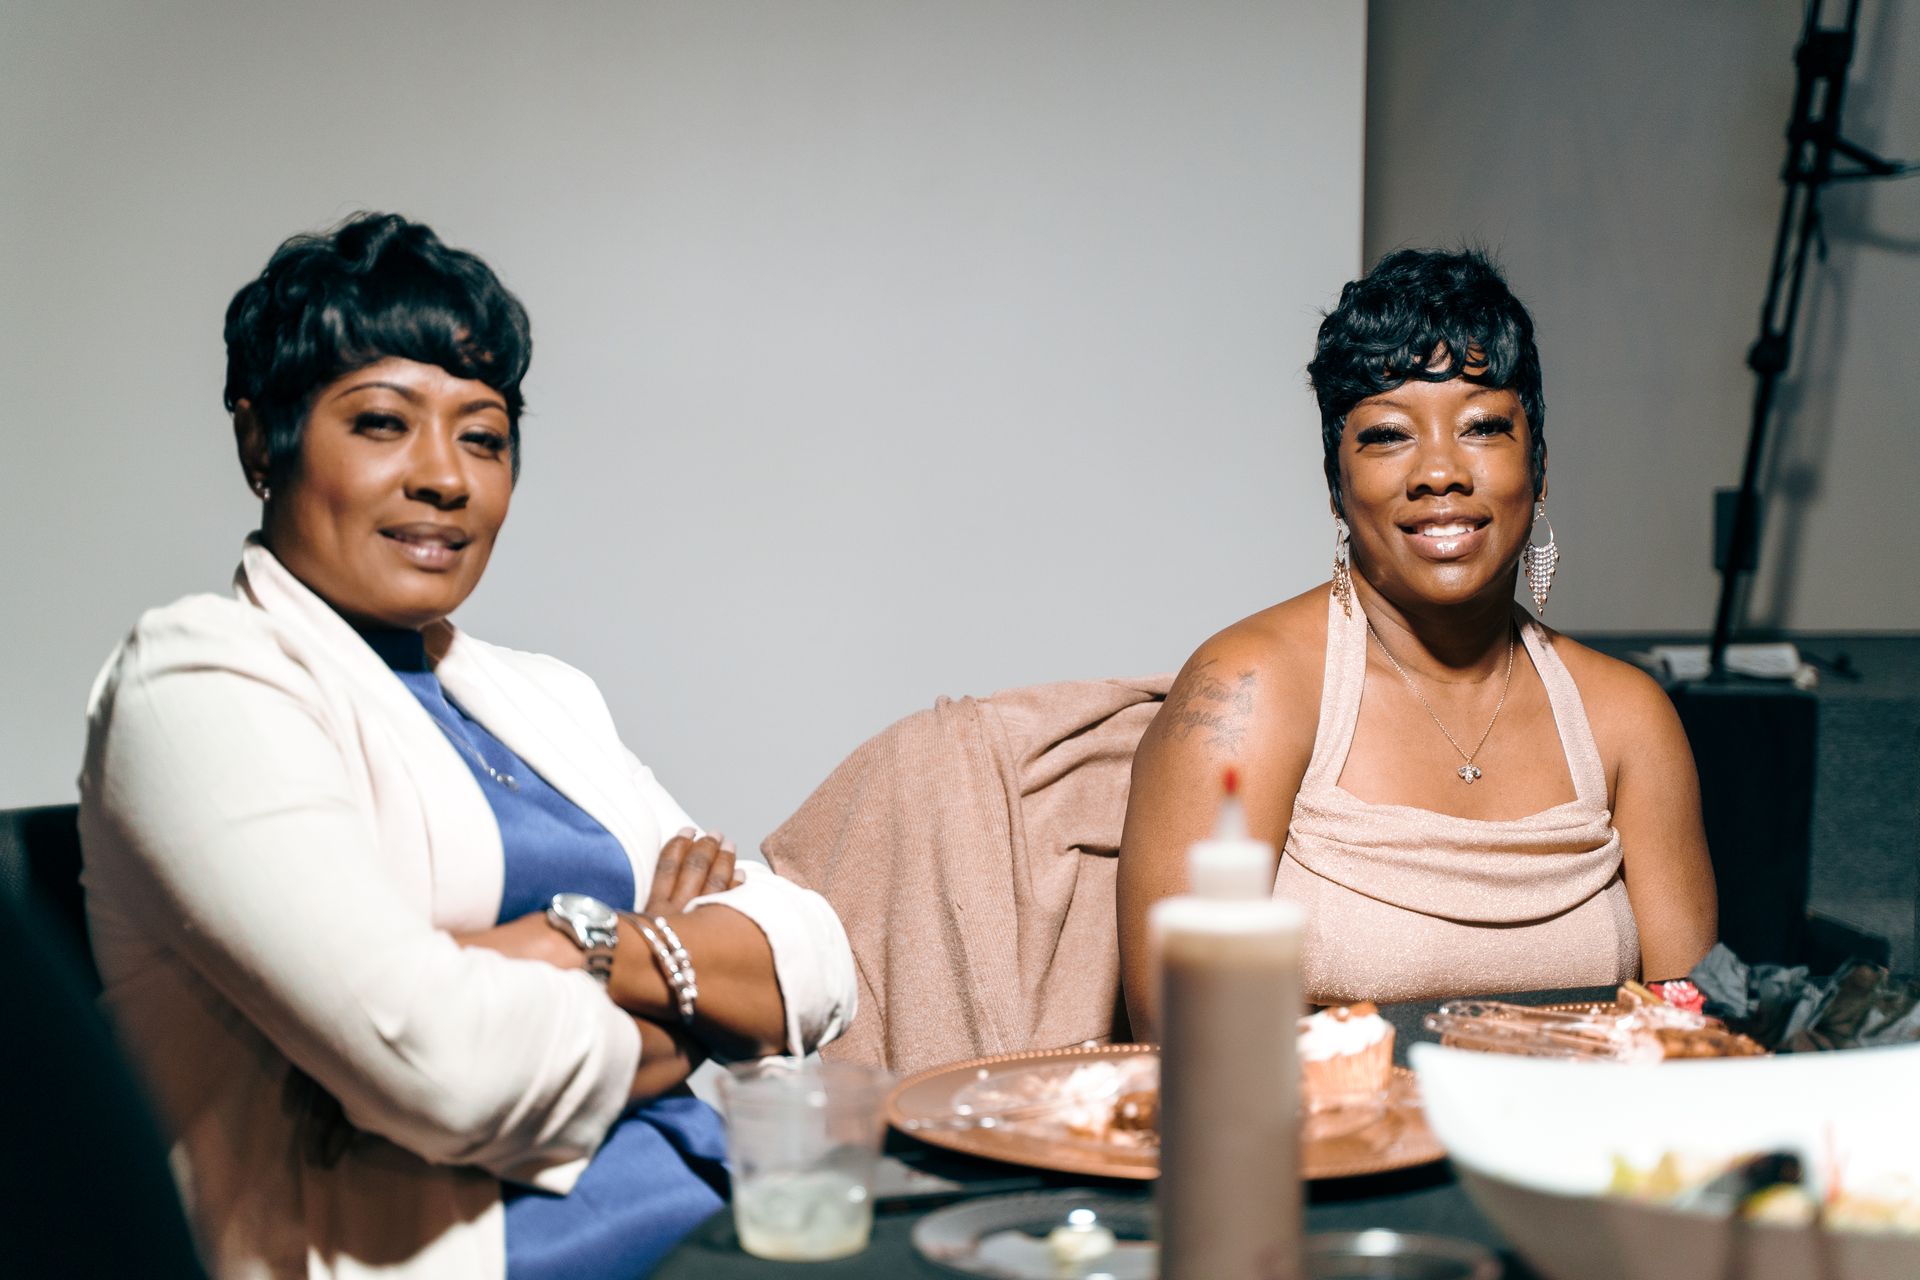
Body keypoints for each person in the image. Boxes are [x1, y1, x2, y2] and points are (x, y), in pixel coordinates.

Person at [78, 213, 857, 1280]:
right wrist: (691, 1000)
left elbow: (810, 952)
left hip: (718, 1218)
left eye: (482, 436)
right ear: (264, 440)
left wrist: (575, 942)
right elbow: (439, 1065)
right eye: (384, 423)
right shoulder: (196, 682)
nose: (444, 477)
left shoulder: (543, 695)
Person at [1117, 248, 1717, 1036]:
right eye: (1389, 435)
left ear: (1538, 468)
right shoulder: (1248, 690)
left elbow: (1694, 1032)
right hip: (1318, 1149)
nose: (1439, 471)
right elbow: (1181, 1038)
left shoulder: (1628, 717)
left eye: (1482, 426)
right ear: (1336, 486)